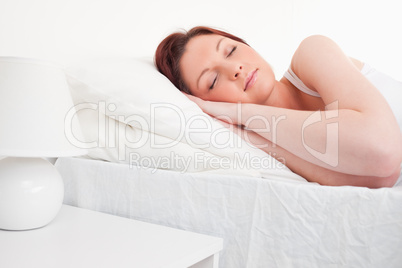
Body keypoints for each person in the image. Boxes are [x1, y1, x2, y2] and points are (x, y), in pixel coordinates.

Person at [154, 26, 402, 188]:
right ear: (208, 104)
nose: (235, 69)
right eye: (213, 80)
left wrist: (239, 113)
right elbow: (381, 177)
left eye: (231, 51)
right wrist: (246, 133)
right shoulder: (261, 147)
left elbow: (383, 152)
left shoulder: (312, 53)